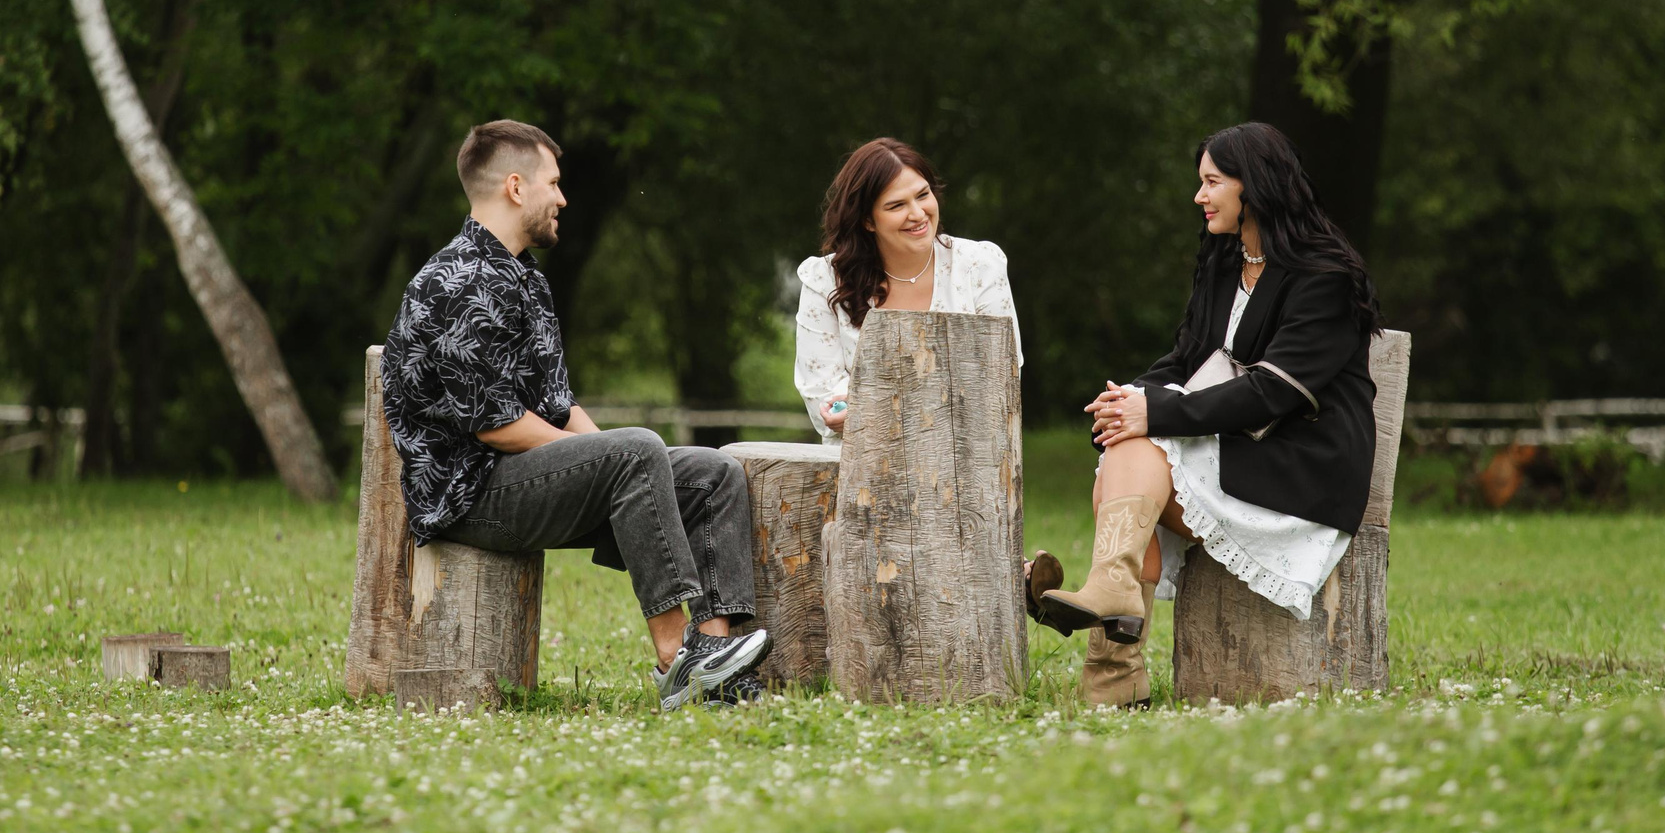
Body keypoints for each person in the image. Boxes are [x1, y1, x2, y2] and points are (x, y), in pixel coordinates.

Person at [381, 120, 770, 709]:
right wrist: (626, 459)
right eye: (554, 184)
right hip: (471, 497)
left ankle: (713, 669)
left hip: (526, 480)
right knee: (637, 452)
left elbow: (560, 408)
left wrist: (647, 471)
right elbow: (499, 427)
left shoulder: (525, 279)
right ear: (516, 187)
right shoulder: (456, 282)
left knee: (713, 474)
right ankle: (676, 659)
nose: (563, 198)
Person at [1034, 121, 1380, 708]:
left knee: (1139, 449)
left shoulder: (1326, 276)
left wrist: (1156, 411)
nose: (1200, 196)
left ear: (1257, 186)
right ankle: (1112, 619)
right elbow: (1188, 357)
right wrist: (1131, 400)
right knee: (1131, 447)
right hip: (1240, 450)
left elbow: (1272, 393)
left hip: (1303, 470)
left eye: (1212, 181)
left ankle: (1112, 671)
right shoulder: (1227, 263)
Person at [793, 138, 1021, 440]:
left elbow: (1000, 376)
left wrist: (874, 408)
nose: (917, 213)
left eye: (923, 195)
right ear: (867, 221)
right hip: (861, 467)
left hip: (967, 456)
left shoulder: (980, 265)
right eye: (897, 205)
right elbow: (823, 399)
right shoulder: (824, 280)